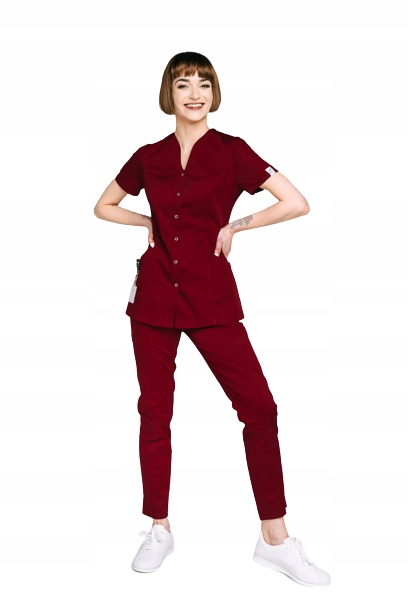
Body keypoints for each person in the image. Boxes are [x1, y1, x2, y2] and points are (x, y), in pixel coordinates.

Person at [94, 51, 331, 587]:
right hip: (154, 299)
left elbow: (295, 202)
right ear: (169, 94)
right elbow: (103, 205)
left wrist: (237, 225)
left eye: (204, 83)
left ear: (214, 92)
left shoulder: (232, 151)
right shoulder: (148, 156)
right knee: (155, 413)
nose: (195, 93)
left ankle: (275, 539)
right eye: (183, 84)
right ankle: (159, 527)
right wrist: (145, 221)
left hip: (212, 298)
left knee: (259, 408)